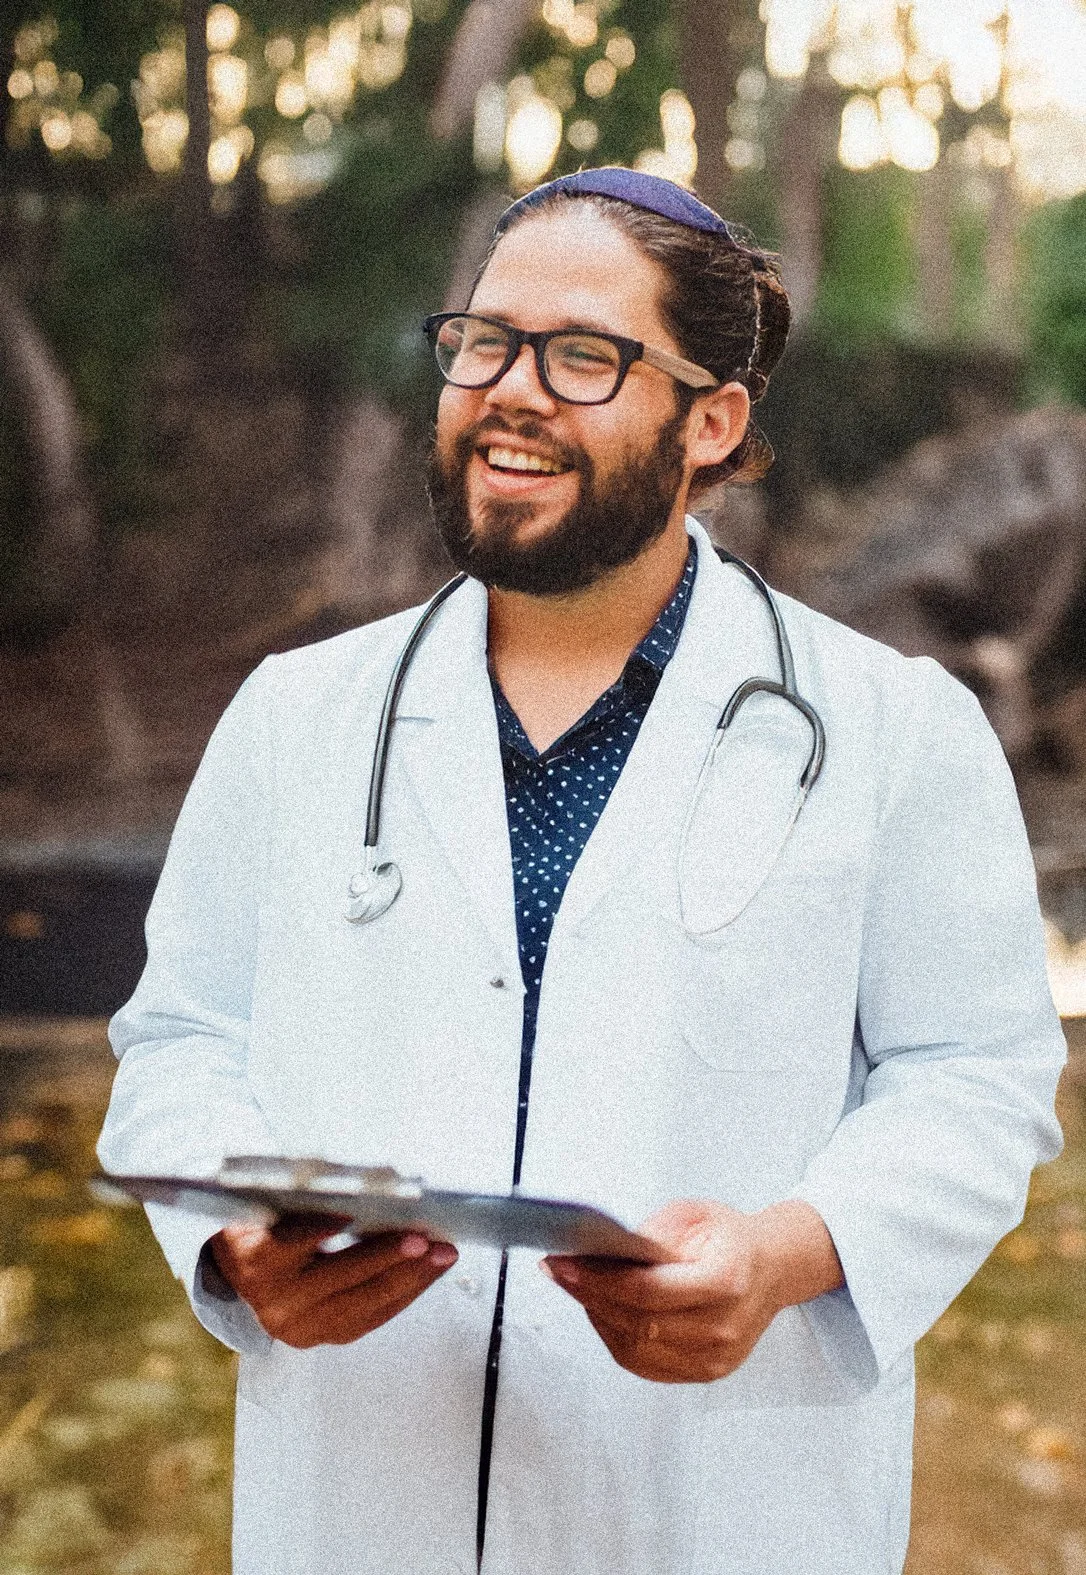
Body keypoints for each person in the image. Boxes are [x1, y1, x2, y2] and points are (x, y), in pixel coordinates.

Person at [98, 167, 1065, 1575]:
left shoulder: (890, 731)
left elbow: (974, 1077)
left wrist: (790, 1250)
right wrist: (233, 1242)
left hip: (721, 1504)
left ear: (711, 421)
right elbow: (181, 1041)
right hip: (363, 1500)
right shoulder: (296, 719)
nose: (509, 389)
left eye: (584, 356)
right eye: (483, 341)